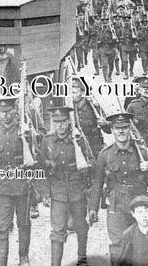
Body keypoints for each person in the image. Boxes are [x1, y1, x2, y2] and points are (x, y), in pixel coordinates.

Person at [88, 113, 148, 266]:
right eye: (117, 128)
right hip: (116, 204)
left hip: (139, 203)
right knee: (118, 246)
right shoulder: (105, 155)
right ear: (112, 130)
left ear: (130, 129)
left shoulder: (142, 152)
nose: (121, 132)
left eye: (125, 127)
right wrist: (93, 208)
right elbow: (98, 183)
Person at [38, 106, 94, 266]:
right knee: (57, 231)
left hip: (78, 190)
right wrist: (45, 193)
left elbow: (92, 161)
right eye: (57, 123)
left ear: (69, 122)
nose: (60, 126)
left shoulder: (79, 139)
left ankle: (82, 259)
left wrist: (85, 166)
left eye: (63, 122)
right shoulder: (47, 141)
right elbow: (40, 168)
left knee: (81, 226)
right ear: (53, 124)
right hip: (57, 192)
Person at [0, 97, 32, 266]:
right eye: (1, 112)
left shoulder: (25, 131)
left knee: (23, 224)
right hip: (1, 188)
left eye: (7, 111)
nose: (4, 115)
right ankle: (0, 262)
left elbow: (35, 157)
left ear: (14, 111)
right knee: (1, 227)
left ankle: (23, 257)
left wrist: (29, 137)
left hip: (22, 186)